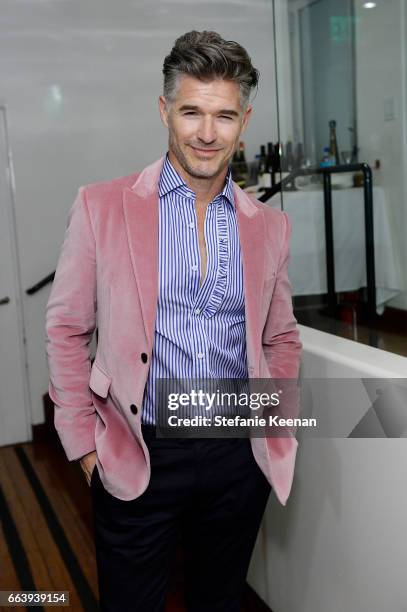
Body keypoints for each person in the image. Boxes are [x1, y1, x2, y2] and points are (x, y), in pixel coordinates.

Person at [45, 30, 302, 612]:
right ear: (165, 110)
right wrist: (85, 446)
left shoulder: (269, 226)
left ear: (245, 120)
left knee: (220, 600)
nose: (207, 134)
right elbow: (65, 328)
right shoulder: (101, 206)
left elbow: (281, 336)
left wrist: (274, 424)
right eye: (191, 112)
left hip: (238, 454)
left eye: (224, 116)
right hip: (140, 449)